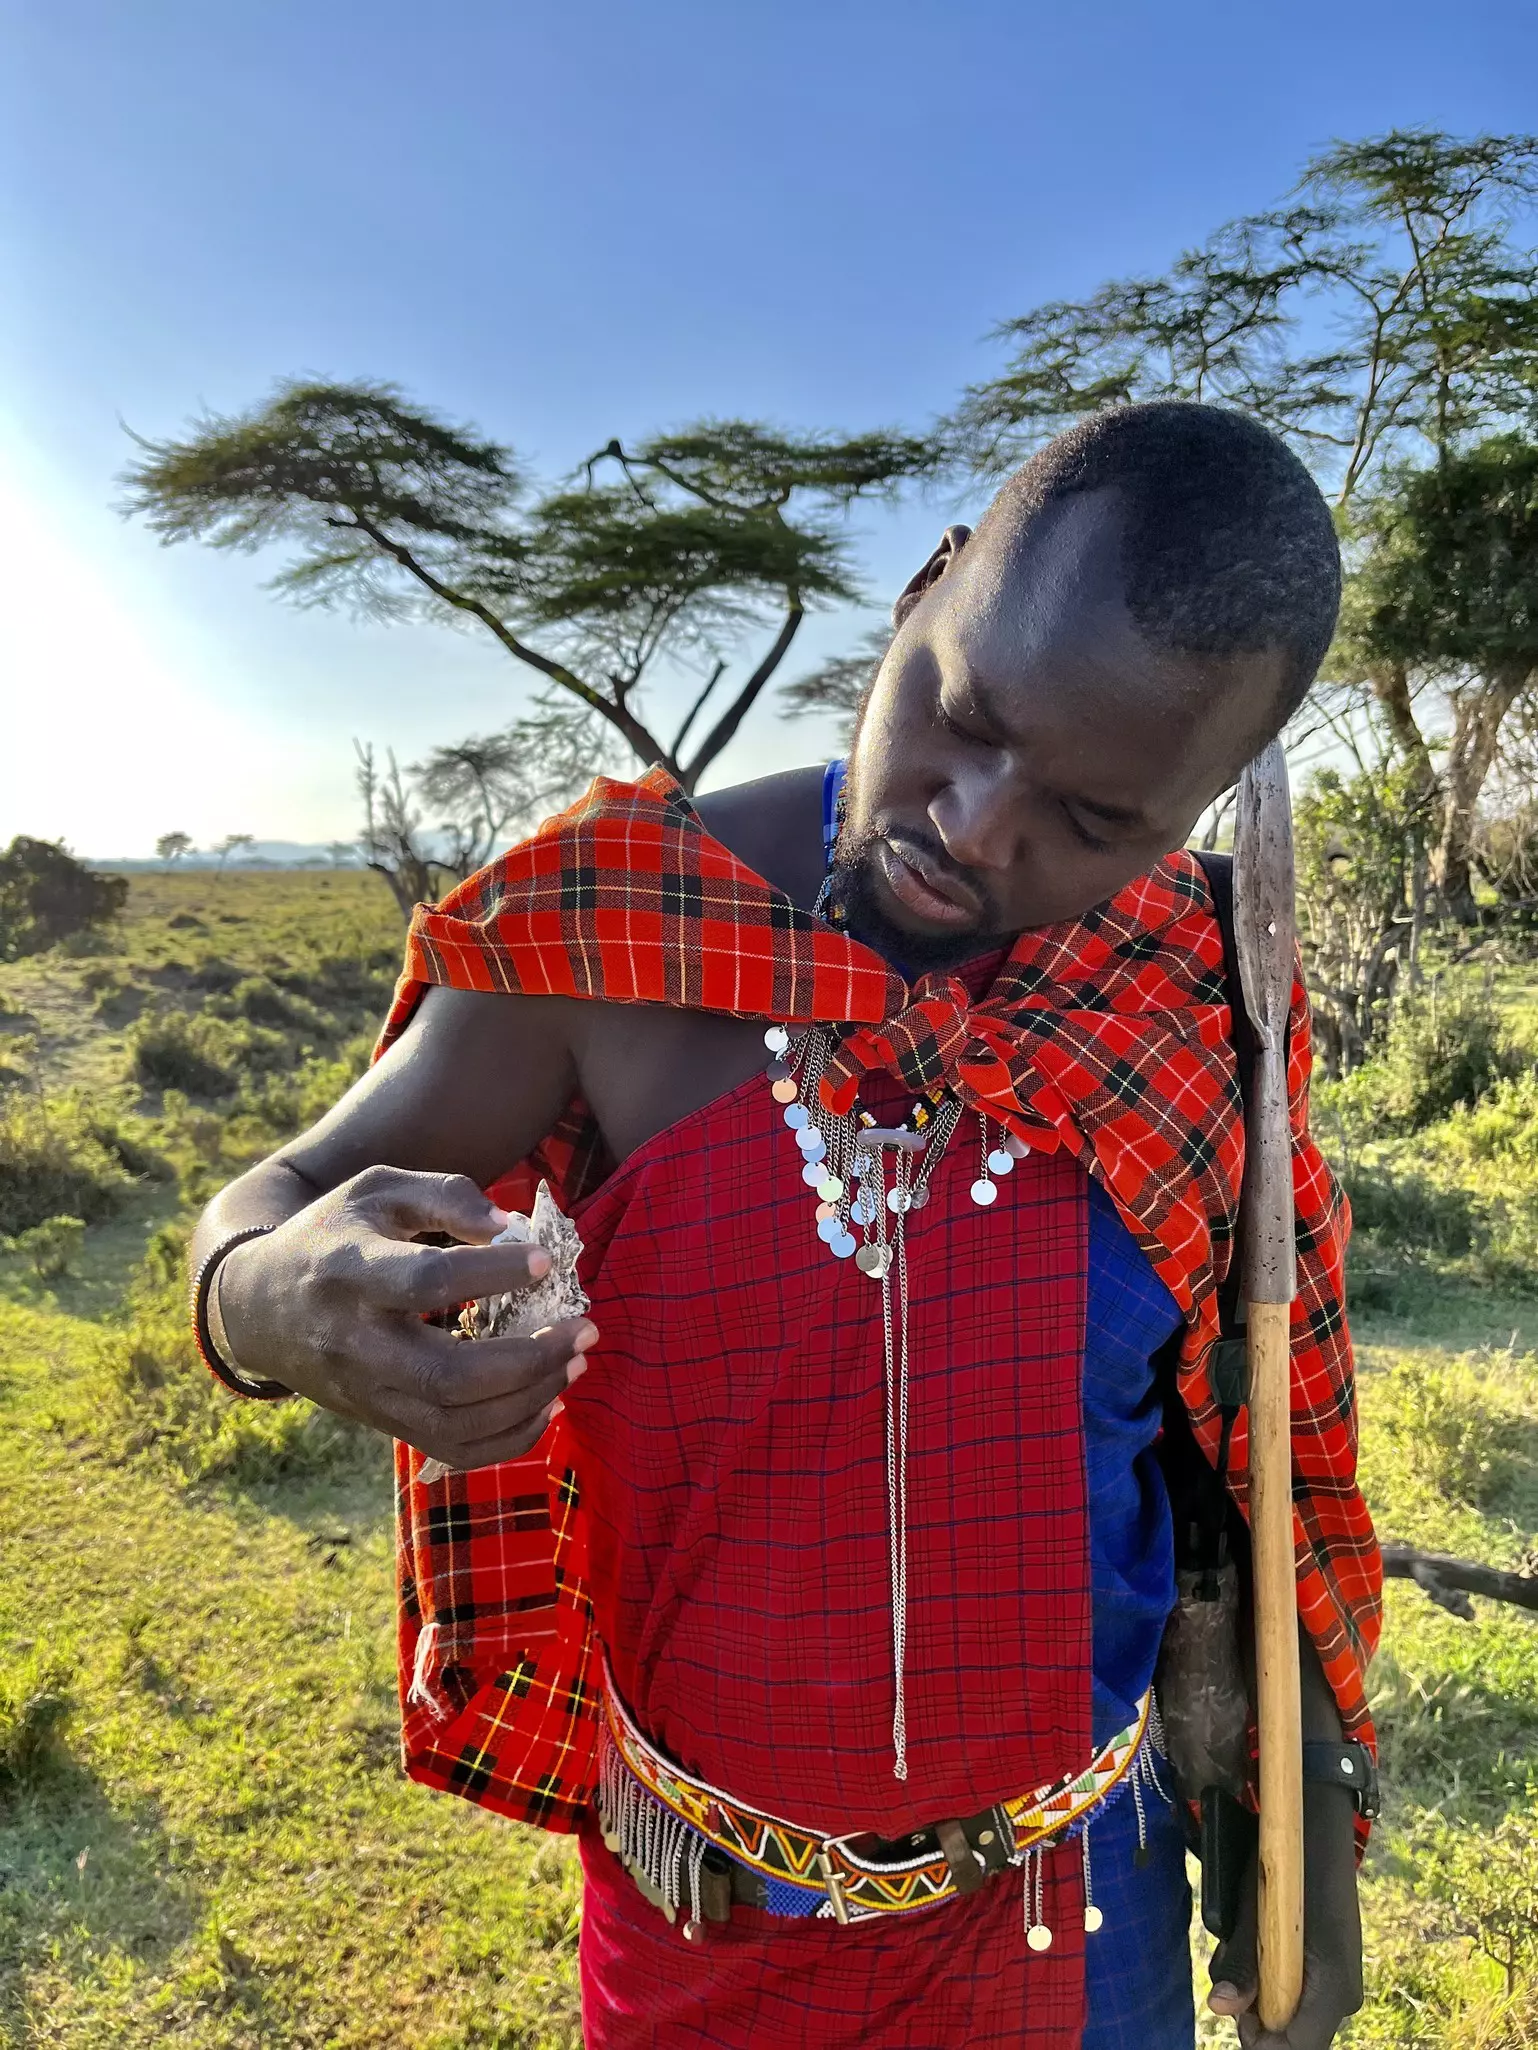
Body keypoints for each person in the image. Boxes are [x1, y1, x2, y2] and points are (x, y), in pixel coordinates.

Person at [188, 401, 1381, 2049]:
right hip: (704, 1927)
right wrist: (265, 1300)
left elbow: (1250, 1450)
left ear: (1190, 811)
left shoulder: (1195, 985)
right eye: (961, 719)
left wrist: (1302, 1835)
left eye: (1093, 821)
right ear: (926, 586)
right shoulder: (618, 924)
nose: (973, 827)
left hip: (1081, 1911)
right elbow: (269, 1204)